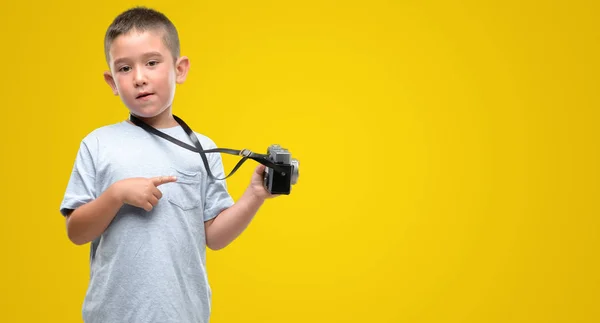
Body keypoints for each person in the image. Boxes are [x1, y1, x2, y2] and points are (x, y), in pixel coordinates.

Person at [60, 6, 276, 323]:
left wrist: (255, 194)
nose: (139, 78)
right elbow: (76, 232)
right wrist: (115, 195)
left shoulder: (203, 148)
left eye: (151, 63)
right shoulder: (98, 144)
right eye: (124, 69)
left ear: (180, 69)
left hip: (184, 315)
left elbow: (214, 237)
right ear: (111, 82)